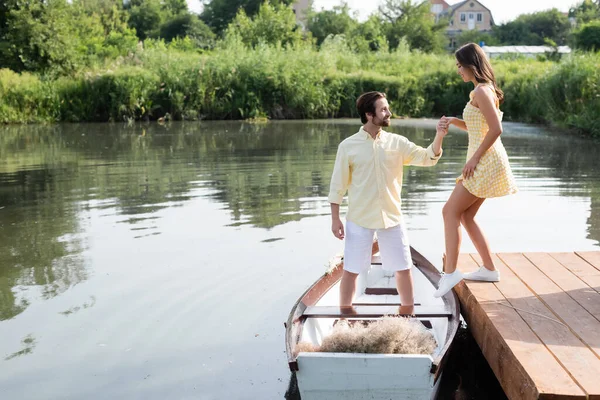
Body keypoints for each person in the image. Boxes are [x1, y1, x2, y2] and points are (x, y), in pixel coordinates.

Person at [328, 91, 448, 312]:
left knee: (403, 268)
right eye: (383, 109)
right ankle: (345, 315)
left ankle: (407, 314)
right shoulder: (348, 146)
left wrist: (439, 135)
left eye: (387, 108)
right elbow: (338, 186)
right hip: (359, 219)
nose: (388, 113)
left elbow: (427, 158)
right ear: (369, 115)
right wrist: (335, 219)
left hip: (392, 217)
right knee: (351, 270)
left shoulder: (397, 143)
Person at [433, 43, 518, 298]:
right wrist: (453, 121)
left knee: (449, 211)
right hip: (485, 160)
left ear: (472, 65)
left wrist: (474, 160)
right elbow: (479, 126)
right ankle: (490, 269)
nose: (458, 70)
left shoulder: (482, 90)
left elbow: (496, 130)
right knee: (466, 216)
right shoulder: (480, 90)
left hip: (485, 161)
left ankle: (450, 273)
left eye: (460, 65)